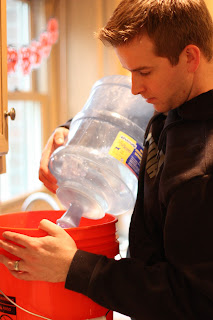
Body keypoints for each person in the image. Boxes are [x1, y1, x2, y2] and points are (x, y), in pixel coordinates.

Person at [1, 0, 213, 318]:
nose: (135, 88)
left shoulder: (201, 173)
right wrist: (67, 132)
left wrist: (76, 268)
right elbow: (124, 121)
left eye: (144, 72)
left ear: (190, 57)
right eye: (129, 71)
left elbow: (192, 301)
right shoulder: (172, 105)